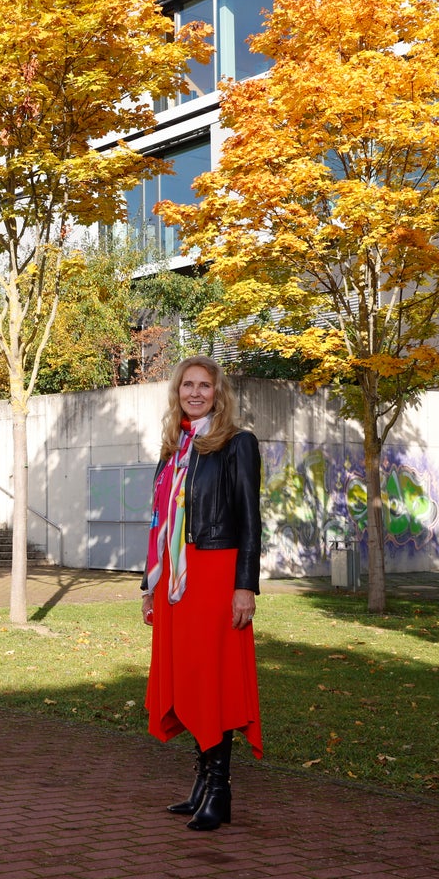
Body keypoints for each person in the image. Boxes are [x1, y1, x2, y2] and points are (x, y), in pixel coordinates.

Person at [141, 355, 263, 832]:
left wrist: (245, 586)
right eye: (187, 385)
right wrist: (149, 585)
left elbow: (250, 521)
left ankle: (219, 790)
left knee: (214, 678)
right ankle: (202, 782)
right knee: (190, 678)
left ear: (218, 393)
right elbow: (159, 524)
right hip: (176, 581)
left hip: (215, 574)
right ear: (177, 392)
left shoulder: (237, 444)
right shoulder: (174, 449)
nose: (195, 393)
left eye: (204, 386)